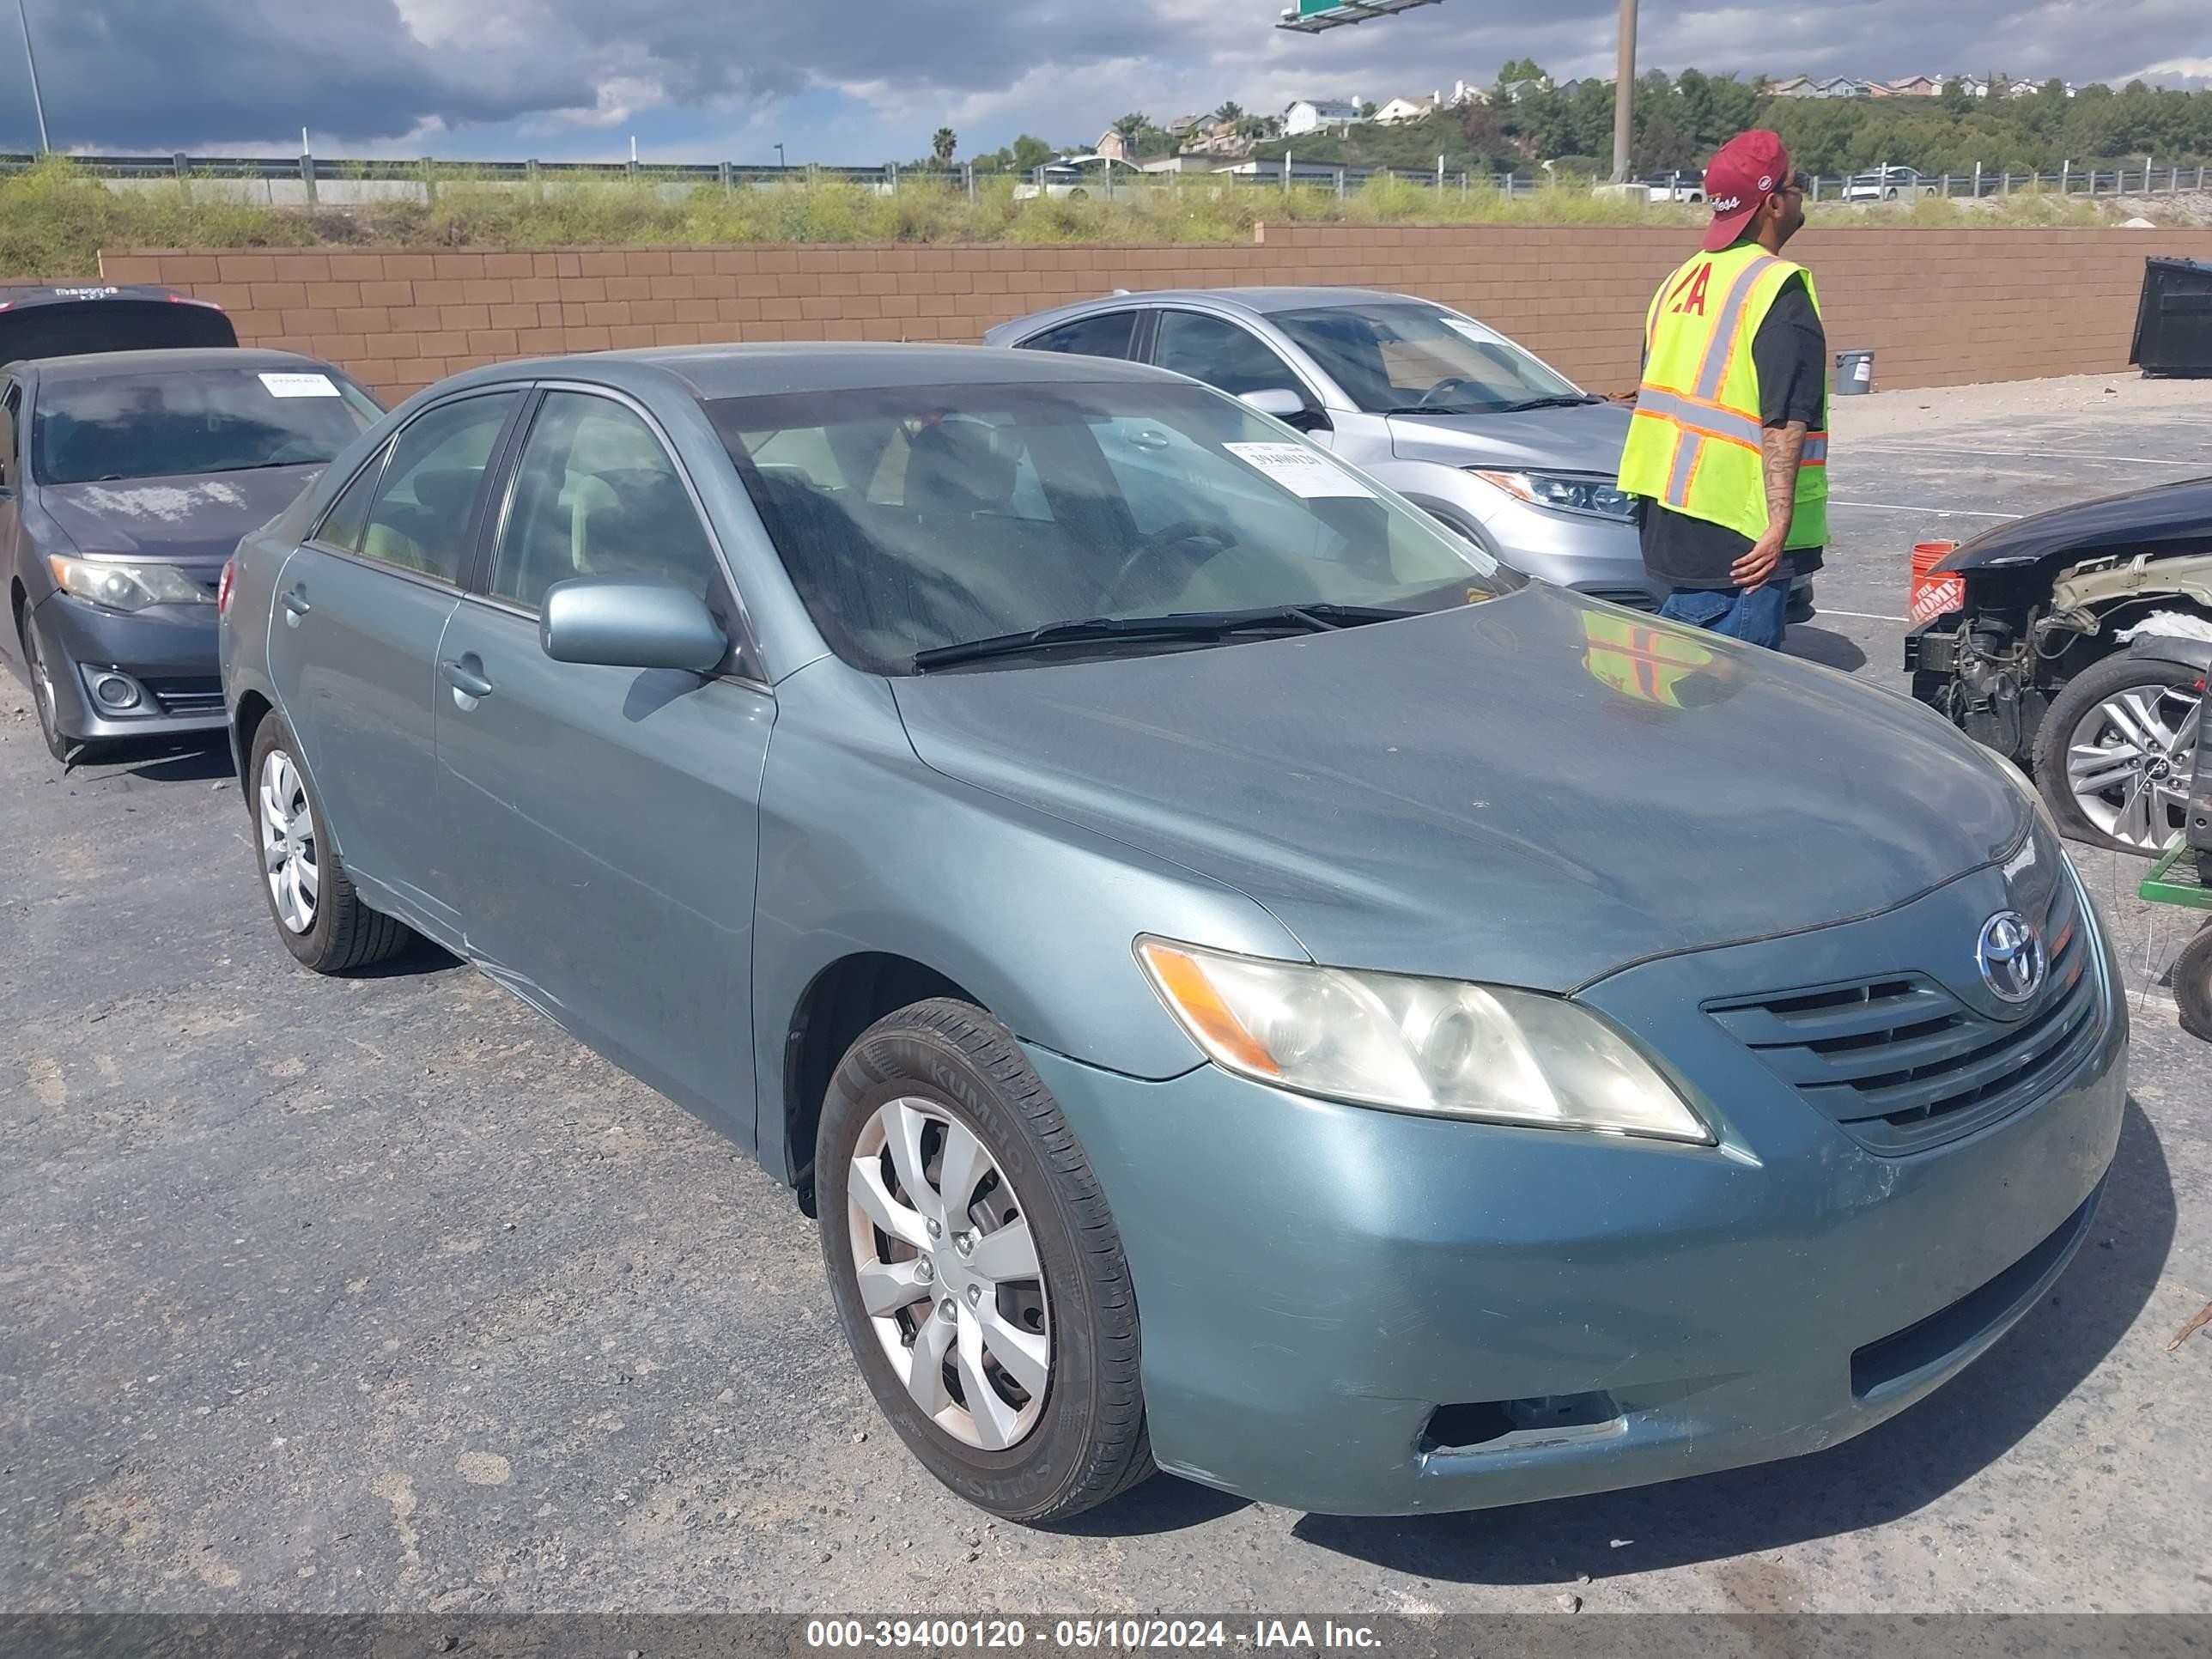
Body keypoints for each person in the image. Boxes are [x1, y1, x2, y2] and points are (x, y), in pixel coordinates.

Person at [1618, 130, 1827, 650]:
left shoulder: (1680, 280)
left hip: (1671, 524)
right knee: (1726, 709)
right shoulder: (1777, 288)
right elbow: (1783, 417)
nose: (1801, 194)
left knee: (1677, 695)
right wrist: (1780, 521)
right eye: (1796, 184)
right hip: (1742, 543)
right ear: (1774, 203)